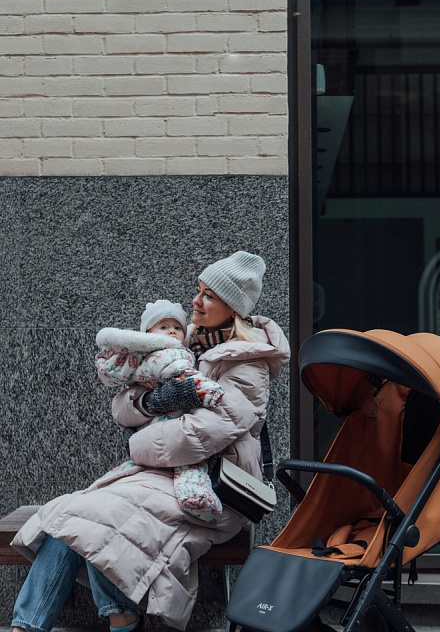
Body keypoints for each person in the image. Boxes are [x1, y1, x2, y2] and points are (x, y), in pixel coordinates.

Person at [11, 250, 289, 632]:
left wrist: (137, 444)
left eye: (209, 296)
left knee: (97, 519)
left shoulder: (248, 364)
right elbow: (121, 408)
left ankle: (122, 621)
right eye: (198, 290)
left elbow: (199, 435)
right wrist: (151, 402)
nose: (196, 300)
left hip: (211, 488)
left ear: (233, 308)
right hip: (160, 475)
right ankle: (27, 626)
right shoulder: (179, 342)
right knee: (71, 514)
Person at [95, 299, 226, 521]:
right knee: (189, 464)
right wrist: (208, 389)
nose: (171, 332)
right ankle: (197, 497)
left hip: (155, 425)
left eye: (177, 327)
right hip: (171, 421)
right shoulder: (170, 352)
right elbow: (181, 372)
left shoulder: (139, 356)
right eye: (163, 327)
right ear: (148, 333)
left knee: (155, 463)